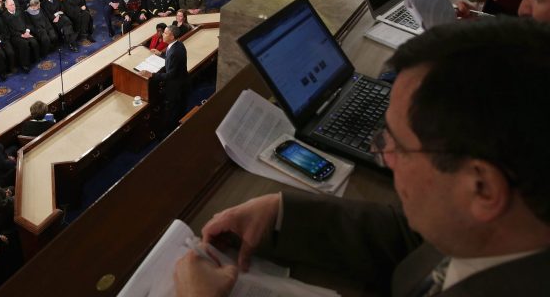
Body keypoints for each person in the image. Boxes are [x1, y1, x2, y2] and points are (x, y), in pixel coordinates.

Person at [174, 17, 550, 297]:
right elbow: (411, 237)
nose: (378, 152)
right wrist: (280, 212)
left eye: (396, 144)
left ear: (482, 188)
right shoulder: (497, 229)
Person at [140, 25, 188, 127]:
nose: (162, 34)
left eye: (165, 33)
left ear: (172, 36)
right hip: (181, 80)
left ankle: (167, 130)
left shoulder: (175, 51)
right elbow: (169, 58)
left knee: (170, 110)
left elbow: (170, 75)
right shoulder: (177, 44)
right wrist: (160, 54)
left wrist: (151, 74)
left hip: (176, 86)